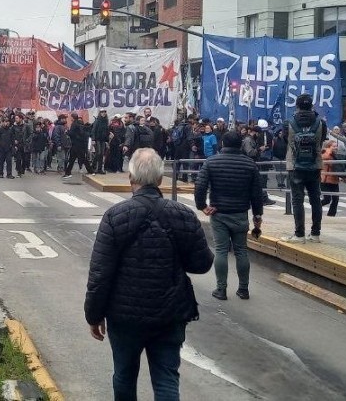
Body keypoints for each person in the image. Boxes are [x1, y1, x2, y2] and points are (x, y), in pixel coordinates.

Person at [84, 148, 213, 401]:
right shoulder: (183, 214)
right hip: (169, 313)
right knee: (166, 379)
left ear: (131, 179)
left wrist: (94, 315)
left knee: (124, 375)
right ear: (160, 180)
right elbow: (202, 264)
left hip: (124, 315)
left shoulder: (114, 216)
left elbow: (100, 273)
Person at [194, 131, 265, 300]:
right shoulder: (250, 164)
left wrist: (202, 206)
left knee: (221, 250)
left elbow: (200, 186)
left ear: (223, 144)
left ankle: (221, 289)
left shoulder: (211, 162)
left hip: (219, 213)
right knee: (241, 251)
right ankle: (243, 289)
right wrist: (257, 215)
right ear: (240, 144)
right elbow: (257, 193)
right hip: (240, 213)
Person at [283, 93, 327, 243]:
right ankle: (315, 233)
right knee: (315, 199)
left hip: (295, 165)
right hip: (315, 165)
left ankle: (299, 234)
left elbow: (286, 141)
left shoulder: (289, 122)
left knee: (297, 200)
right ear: (312, 105)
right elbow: (320, 142)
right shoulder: (321, 123)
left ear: (297, 105)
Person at [63, 113, 92, 179]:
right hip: (80, 144)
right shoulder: (80, 124)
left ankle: (68, 173)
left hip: (75, 144)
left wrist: (67, 132)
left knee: (73, 159)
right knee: (78, 159)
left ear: (72, 117)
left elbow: (72, 133)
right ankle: (68, 172)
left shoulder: (74, 124)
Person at [320, 140, 341, 217]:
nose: (336, 148)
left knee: (336, 199)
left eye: (336, 146)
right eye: (334, 146)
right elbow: (325, 158)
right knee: (327, 199)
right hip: (325, 180)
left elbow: (337, 168)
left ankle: (331, 215)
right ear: (328, 147)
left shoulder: (334, 155)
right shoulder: (326, 154)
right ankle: (316, 207)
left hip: (334, 180)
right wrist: (329, 151)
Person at [90, 109, 110, 174]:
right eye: (102, 112)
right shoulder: (97, 121)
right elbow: (93, 130)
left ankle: (99, 169)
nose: (103, 113)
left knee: (101, 154)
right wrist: (93, 139)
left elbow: (107, 131)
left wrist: (107, 140)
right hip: (97, 139)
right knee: (98, 153)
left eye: (104, 112)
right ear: (100, 113)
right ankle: (93, 166)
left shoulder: (106, 121)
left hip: (103, 140)